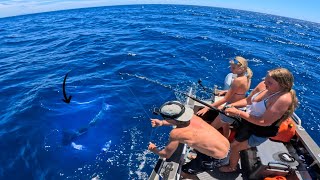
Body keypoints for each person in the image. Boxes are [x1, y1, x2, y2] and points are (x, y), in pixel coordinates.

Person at [218, 67, 298, 172]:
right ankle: (221, 154)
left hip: (260, 131)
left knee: (234, 147)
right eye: (265, 79)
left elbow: (264, 122)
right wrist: (230, 106)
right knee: (227, 129)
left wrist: (238, 112)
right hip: (248, 122)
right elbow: (248, 101)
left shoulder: (282, 99)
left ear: (282, 85)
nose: (265, 82)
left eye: (269, 82)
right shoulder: (264, 85)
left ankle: (232, 167)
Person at [148, 101, 230, 174]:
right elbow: (178, 121)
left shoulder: (176, 133)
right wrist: (162, 123)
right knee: (197, 145)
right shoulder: (193, 117)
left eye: (165, 118)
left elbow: (166, 155)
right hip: (227, 146)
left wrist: (153, 149)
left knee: (184, 172)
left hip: (217, 158)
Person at [196, 56, 253, 137]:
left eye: (233, 67)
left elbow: (226, 99)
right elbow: (241, 90)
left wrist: (207, 108)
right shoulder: (247, 76)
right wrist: (227, 91)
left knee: (212, 127)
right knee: (225, 126)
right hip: (237, 106)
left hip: (231, 108)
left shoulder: (237, 80)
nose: (230, 69)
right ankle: (226, 142)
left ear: (241, 68)